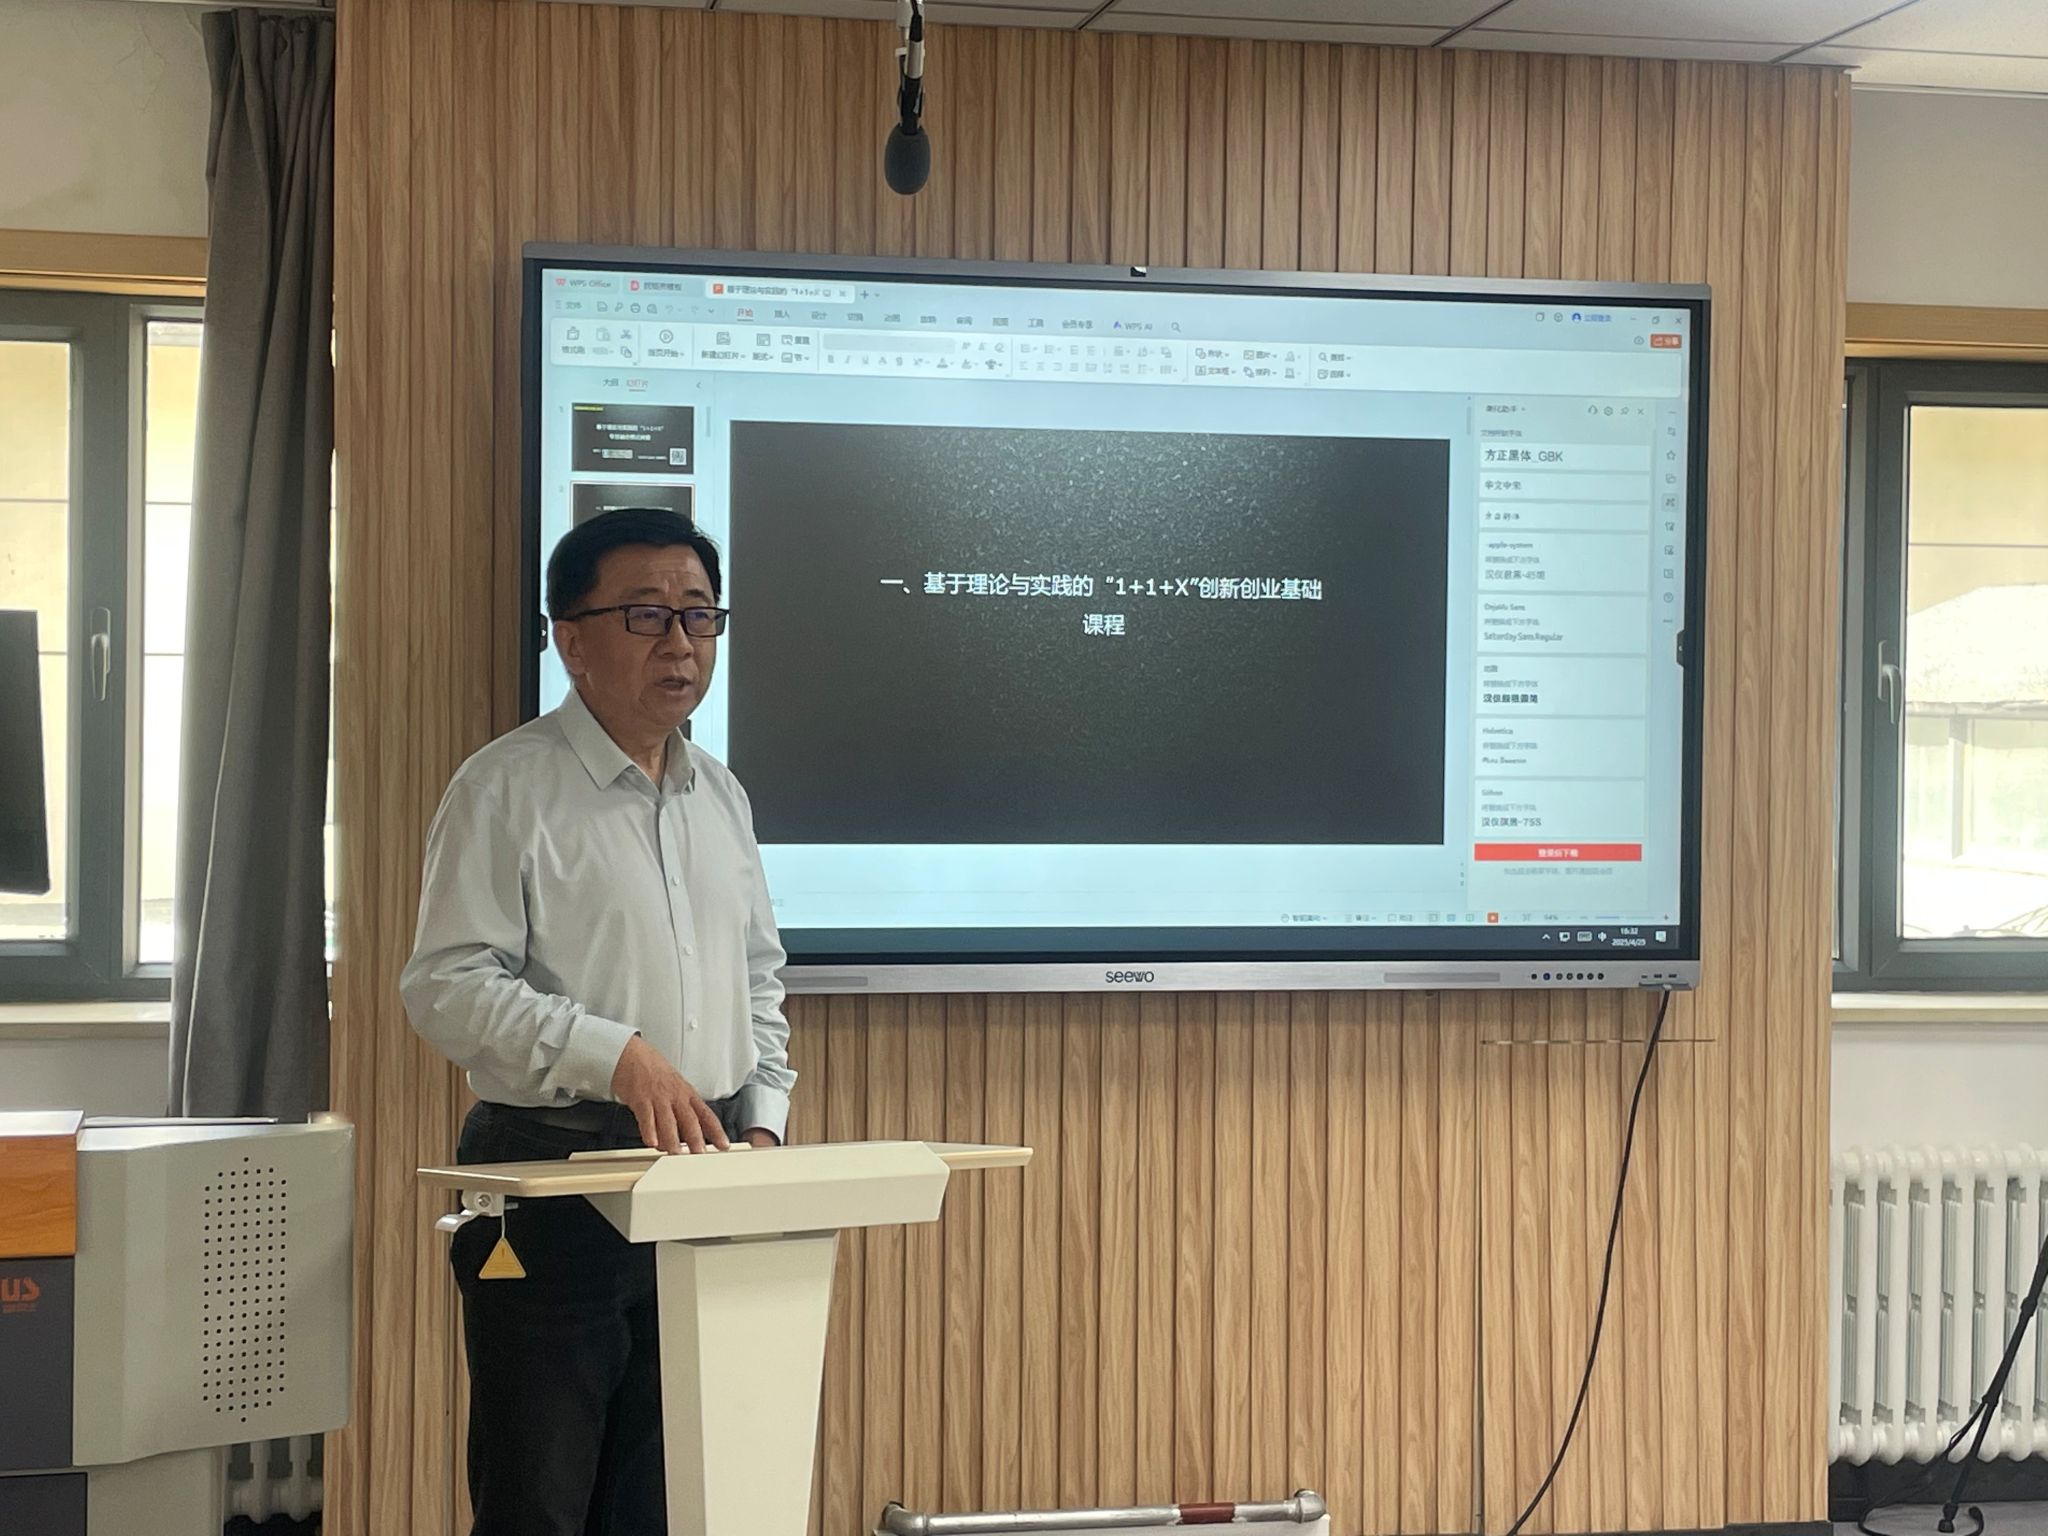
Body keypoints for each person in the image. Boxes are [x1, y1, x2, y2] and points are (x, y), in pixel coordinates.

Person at [401, 506, 795, 1535]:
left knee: (666, 1497)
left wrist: (762, 1122)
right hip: (553, 1174)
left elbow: (759, 978)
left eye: (700, 614)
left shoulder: (721, 795)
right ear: (569, 640)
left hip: (704, 1178)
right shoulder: (505, 789)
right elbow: (446, 984)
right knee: (540, 1497)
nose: (681, 643)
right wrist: (615, 1054)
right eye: (646, 615)